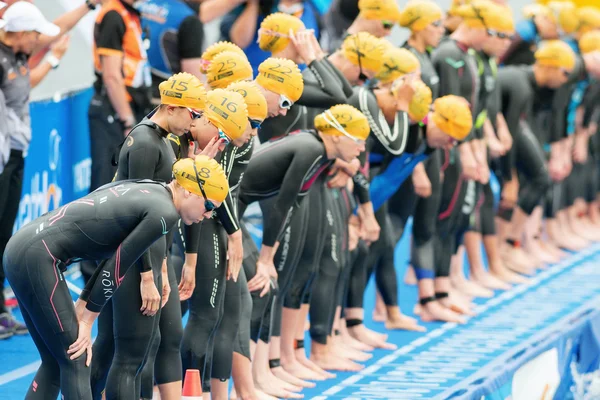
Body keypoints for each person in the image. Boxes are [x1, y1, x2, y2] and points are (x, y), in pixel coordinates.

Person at [3, 156, 229, 400]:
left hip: (23, 248)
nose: (208, 216)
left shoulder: (151, 189)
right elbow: (118, 266)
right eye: (209, 206)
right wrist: (88, 320)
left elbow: (111, 256)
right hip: (38, 259)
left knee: (55, 362)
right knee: (77, 357)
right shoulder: (164, 213)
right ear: (188, 191)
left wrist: (84, 302)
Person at [89, 72, 210, 400]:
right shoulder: (144, 142)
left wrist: (162, 268)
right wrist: (146, 274)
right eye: (192, 114)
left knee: (156, 340)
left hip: (151, 252)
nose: (194, 122)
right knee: (122, 350)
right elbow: (135, 214)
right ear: (171, 108)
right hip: (131, 257)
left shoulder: (162, 139)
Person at [0, 0, 98, 339]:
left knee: (3, 230)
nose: (39, 42)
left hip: (15, 151)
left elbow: (55, 32)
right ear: (23, 33)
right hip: (1, 154)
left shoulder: (19, 54)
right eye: (35, 36)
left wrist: (86, 7)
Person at [88, 0, 152, 193]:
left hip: (129, 105)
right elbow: (111, 75)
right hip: (113, 110)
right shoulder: (113, 16)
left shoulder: (128, 12)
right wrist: (127, 121)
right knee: (107, 184)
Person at [138, 0, 205, 99]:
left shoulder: (140, 6)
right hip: (165, 98)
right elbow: (193, 81)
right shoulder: (188, 19)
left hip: (133, 87)